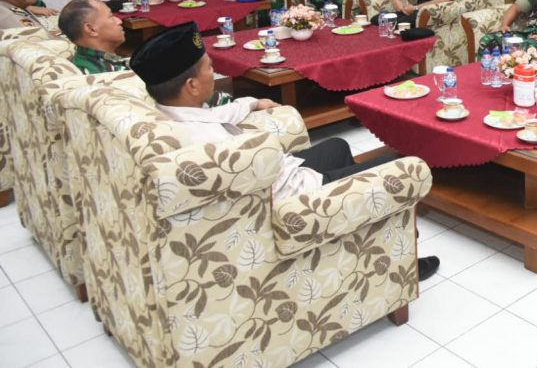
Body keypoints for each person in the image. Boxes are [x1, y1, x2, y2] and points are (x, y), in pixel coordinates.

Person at [129, 22, 440, 280]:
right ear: (192, 86)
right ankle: (405, 264)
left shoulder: (175, 113)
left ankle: (353, 240)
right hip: (295, 198)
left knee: (337, 146)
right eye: (209, 69)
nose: (215, 73)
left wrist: (252, 102)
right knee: (392, 166)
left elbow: (214, 115)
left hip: (282, 177)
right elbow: (267, 184)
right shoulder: (208, 142)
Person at [58, 0, 128, 74]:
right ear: (91, 29)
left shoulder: (85, 59)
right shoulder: (103, 74)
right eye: (110, 16)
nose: (119, 21)